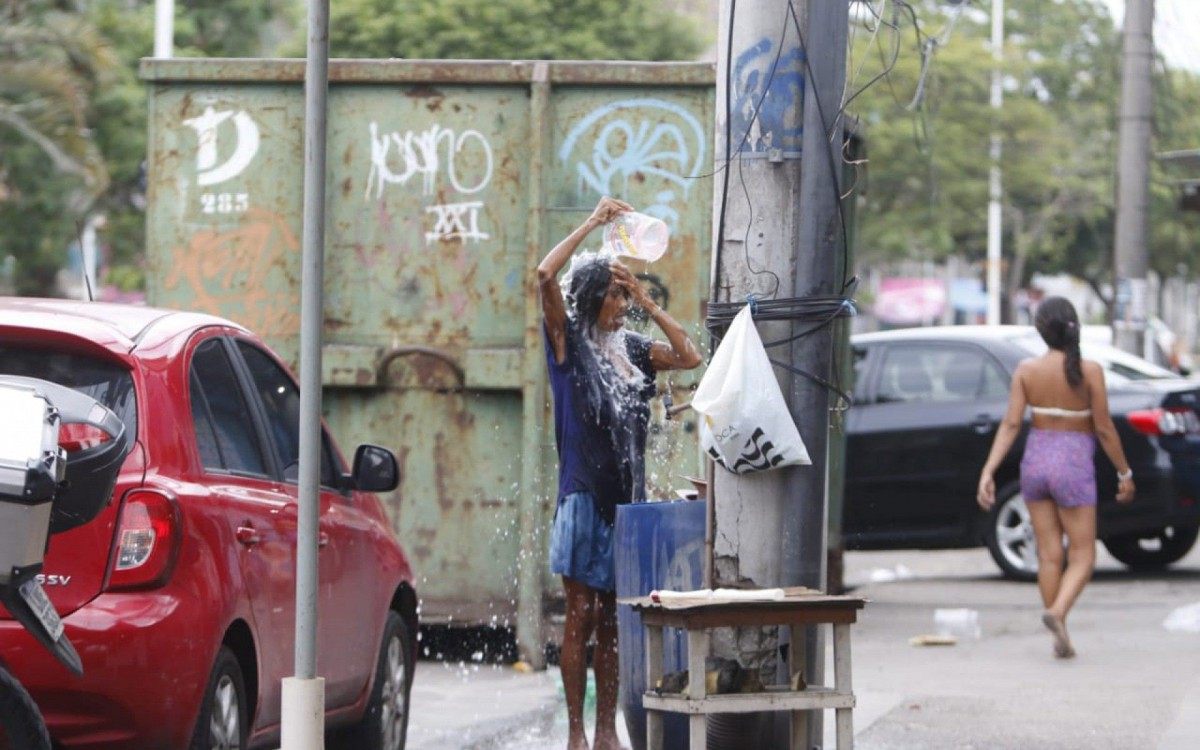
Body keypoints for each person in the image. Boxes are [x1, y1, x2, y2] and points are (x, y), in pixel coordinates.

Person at [537, 196, 702, 750]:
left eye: (621, 293)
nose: (619, 302)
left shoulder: (630, 347)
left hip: (623, 506)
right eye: (612, 293)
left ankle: (608, 730)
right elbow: (544, 274)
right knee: (581, 617)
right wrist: (591, 223)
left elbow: (688, 357)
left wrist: (648, 303)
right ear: (589, 300)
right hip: (583, 500)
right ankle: (578, 732)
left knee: (613, 624)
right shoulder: (569, 346)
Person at [977, 296, 1135, 658]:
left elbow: (1012, 424)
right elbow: (1105, 429)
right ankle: (1058, 612)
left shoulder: (1026, 371)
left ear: (1041, 331)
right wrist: (1124, 472)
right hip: (1074, 465)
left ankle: (1058, 633)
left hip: (1035, 463)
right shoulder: (1090, 371)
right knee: (1082, 555)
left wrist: (988, 470)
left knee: (1049, 555)